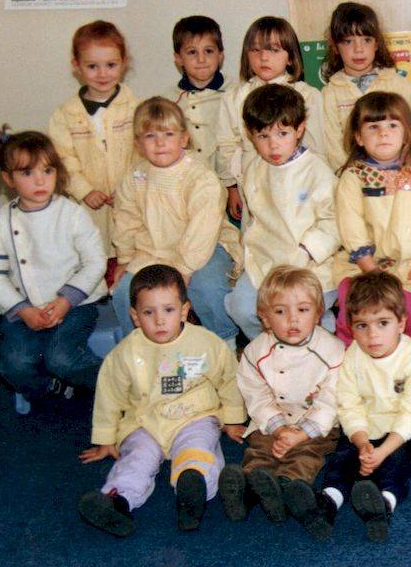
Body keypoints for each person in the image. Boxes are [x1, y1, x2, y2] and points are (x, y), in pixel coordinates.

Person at [77, 265, 245, 537]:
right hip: (145, 422)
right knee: (136, 459)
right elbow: (109, 394)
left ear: (184, 310)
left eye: (168, 310)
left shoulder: (206, 343)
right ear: (134, 316)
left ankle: (193, 488)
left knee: (198, 450)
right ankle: (117, 502)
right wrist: (106, 437)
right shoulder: (125, 353)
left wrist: (233, 418)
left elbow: (229, 379)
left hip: (194, 416)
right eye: (148, 312)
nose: (159, 321)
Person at [302, 271, 411, 542]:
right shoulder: (352, 356)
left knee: (397, 461)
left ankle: (383, 504)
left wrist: (383, 450)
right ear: (351, 327)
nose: (372, 335)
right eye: (362, 326)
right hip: (368, 426)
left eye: (383, 323)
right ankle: (328, 501)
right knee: (343, 456)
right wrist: (362, 442)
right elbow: (349, 404)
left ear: (401, 323)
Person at [0, 128, 106, 414]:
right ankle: (54, 388)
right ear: (8, 179)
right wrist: (22, 309)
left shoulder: (72, 213)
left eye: (47, 171)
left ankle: (116, 384)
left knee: (61, 358)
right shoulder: (0, 222)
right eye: (27, 173)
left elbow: (95, 262)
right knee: (14, 364)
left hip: (76, 305)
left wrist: (65, 301)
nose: (40, 180)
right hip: (25, 310)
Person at [219, 266, 345, 530]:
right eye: (280, 312)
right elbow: (256, 395)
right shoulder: (255, 352)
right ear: (265, 318)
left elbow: (331, 399)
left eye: (303, 310)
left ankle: (287, 487)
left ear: (318, 313)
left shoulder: (332, 350)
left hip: (315, 426)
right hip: (272, 421)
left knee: (307, 455)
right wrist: (278, 428)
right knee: (260, 449)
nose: (292, 320)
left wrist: (301, 433)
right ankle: (249, 489)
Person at [110, 98, 241, 346]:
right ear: (138, 143)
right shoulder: (135, 177)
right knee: (125, 293)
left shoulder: (200, 177)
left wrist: (184, 269)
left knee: (208, 287)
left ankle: (225, 343)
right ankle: (141, 348)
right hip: (153, 249)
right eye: (150, 136)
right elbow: (126, 219)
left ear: (184, 138)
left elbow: (203, 229)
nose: (160, 143)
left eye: (168, 134)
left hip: (205, 249)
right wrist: (125, 258)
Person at [225, 84, 340, 340]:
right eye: (263, 136)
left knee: (303, 315)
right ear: (250, 135)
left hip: (309, 265)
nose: (273, 145)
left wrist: (306, 250)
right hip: (265, 261)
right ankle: (272, 347)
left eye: (282, 134)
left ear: (299, 130)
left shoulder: (317, 171)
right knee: (241, 308)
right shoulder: (255, 168)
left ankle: (322, 340)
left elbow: (333, 221)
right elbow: (255, 221)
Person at [333, 91, 411, 346]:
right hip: (364, 265)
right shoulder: (353, 177)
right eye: (373, 127)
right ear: (358, 137)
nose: (383, 133)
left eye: (392, 125)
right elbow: (351, 225)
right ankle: (357, 360)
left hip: (410, 262)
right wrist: (372, 270)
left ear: (406, 134)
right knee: (360, 310)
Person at [215, 16, 323, 220]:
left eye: (274, 50)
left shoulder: (307, 95)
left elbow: (316, 148)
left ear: (290, 57)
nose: (264, 57)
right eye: (256, 50)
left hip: (297, 186)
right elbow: (226, 144)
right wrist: (232, 187)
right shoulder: (234, 97)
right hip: (251, 185)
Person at [48, 20, 139, 256]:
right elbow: (62, 159)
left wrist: (129, 187)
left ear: (124, 63)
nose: (102, 74)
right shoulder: (64, 115)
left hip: (130, 200)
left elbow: (142, 154)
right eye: (92, 66)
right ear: (76, 66)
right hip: (87, 206)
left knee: (131, 251)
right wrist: (84, 190)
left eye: (111, 65)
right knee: (91, 253)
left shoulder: (136, 108)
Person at [320, 2, 411, 170]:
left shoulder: (398, 85)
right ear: (334, 46)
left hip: (399, 173)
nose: (358, 49)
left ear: (377, 43)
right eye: (348, 41)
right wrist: (355, 176)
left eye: (366, 40)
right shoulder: (330, 93)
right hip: (352, 177)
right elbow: (333, 148)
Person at [168, 15, 227, 169]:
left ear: (220, 55)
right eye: (192, 52)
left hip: (228, 178)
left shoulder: (235, 93)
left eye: (208, 51)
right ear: (179, 58)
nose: (201, 59)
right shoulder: (169, 101)